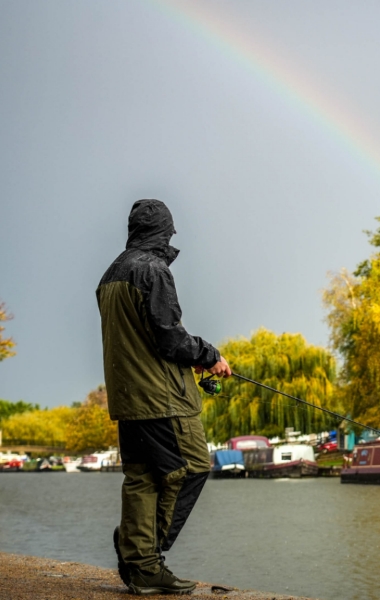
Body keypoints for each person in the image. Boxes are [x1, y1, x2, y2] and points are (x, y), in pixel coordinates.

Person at [97, 199, 231, 595]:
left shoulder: (110, 274)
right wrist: (211, 355)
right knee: (188, 468)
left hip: (127, 398)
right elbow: (170, 337)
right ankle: (143, 558)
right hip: (163, 399)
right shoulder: (153, 271)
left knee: (141, 478)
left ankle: (139, 562)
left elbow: (138, 338)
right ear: (164, 232)